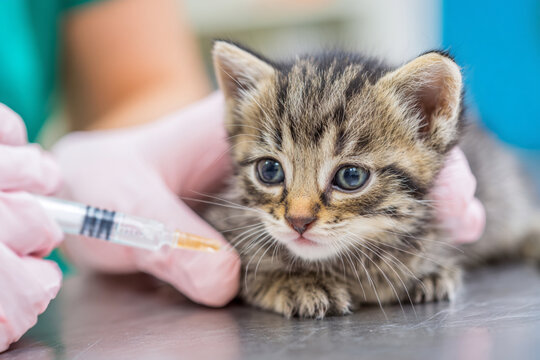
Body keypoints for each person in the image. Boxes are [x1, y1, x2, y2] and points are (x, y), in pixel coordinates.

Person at [0, 0, 486, 352]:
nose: (297, 214)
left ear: (428, 119)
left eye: (350, 176)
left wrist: (116, 162)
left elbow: (142, 85)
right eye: (271, 170)